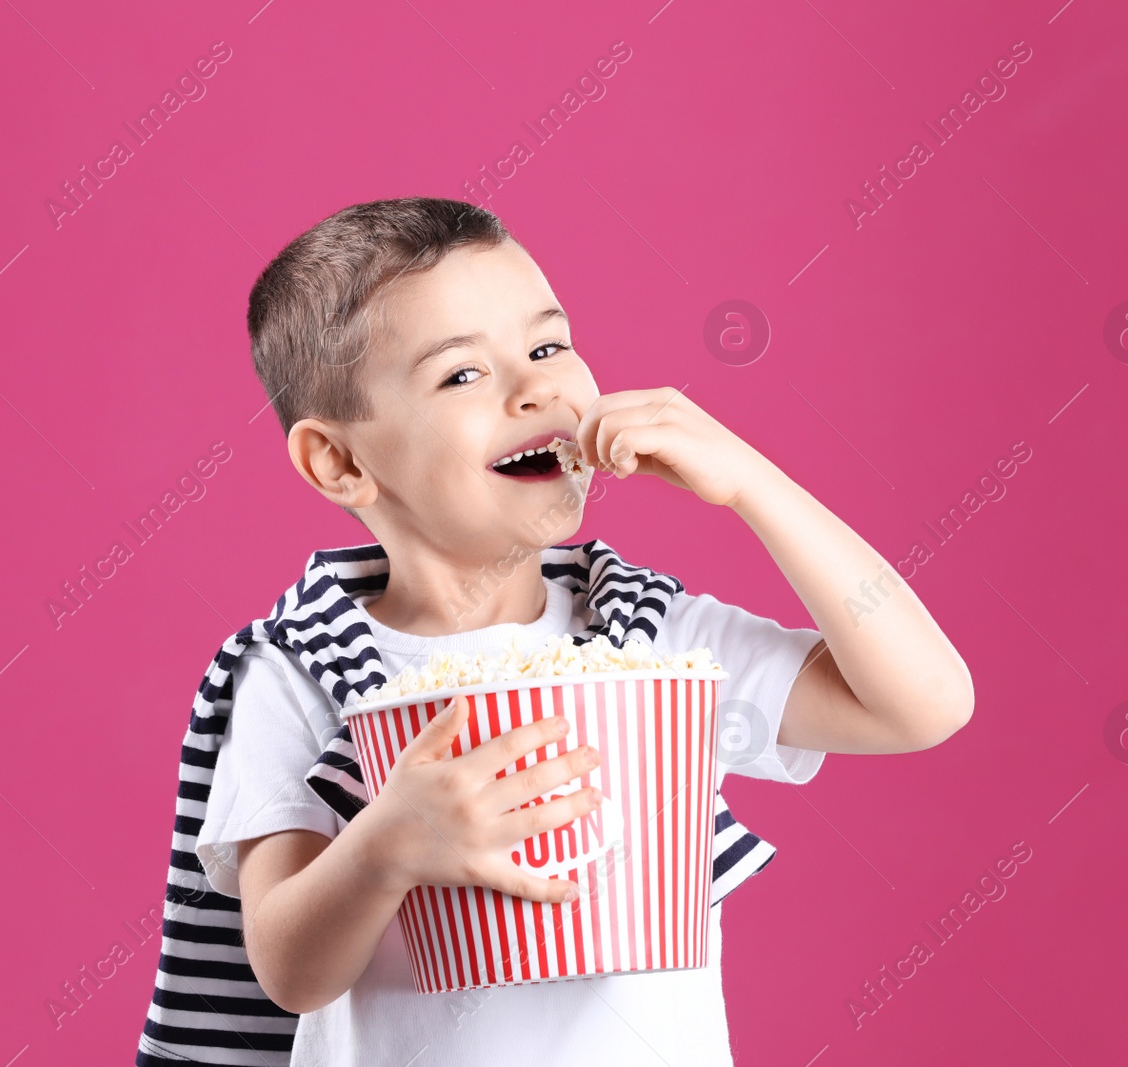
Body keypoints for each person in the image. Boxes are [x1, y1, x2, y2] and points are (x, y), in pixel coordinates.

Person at [135, 197, 974, 1066]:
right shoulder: (302, 668)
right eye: (462, 374)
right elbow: (288, 968)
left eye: (547, 347)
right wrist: (385, 846)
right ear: (341, 462)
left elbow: (924, 703)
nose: (537, 387)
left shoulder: (649, 639)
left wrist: (755, 486)